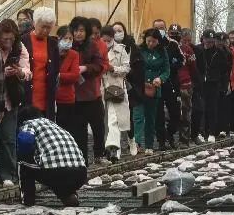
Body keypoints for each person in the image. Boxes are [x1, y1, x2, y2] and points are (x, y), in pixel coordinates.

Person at [16, 106, 86, 207]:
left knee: (23, 164)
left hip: (55, 173)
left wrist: (28, 156)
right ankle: (69, 196)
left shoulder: (29, 124)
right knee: (59, 173)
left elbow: (25, 142)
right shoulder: (54, 125)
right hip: (81, 174)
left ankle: (28, 201)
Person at [0, 19, 29, 186]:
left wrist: (19, 72)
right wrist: (1, 72)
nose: (7, 42)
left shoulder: (20, 48)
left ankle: (7, 175)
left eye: (10, 38)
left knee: (8, 138)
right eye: (4, 38)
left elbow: (27, 72)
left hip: (11, 98)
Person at [70, 16, 105, 164]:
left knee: (98, 127)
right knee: (79, 130)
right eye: (76, 30)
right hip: (74, 95)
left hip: (92, 94)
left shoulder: (92, 46)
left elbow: (99, 65)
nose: (78, 34)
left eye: (82, 30)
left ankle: (99, 155)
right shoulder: (68, 45)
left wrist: (85, 68)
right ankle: (82, 158)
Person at [21, 7, 60, 119]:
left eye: (49, 27)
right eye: (43, 27)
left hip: (46, 95)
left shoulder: (53, 44)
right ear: (34, 23)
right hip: (27, 93)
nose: (46, 31)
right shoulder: (23, 40)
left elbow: (56, 68)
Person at [136, 28, 170, 155]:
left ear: (158, 41)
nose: (150, 44)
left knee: (150, 118)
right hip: (139, 87)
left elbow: (166, 70)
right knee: (138, 116)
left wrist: (160, 78)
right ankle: (136, 143)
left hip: (154, 88)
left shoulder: (162, 51)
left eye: (154, 42)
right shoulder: (139, 50)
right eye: (149, 41)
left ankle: (149, 145)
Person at [100, 27, 130, 163]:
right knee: (104, 120)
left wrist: (113, 69)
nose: (106, 43)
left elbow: (126, 68)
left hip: (115, 88)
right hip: (100, 88)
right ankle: (105, 148)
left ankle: (114, 149)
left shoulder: (121, 50)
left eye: (109, 40)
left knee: (114, 118)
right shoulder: (96, 49)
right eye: (104, 40)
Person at [194, 30, 230, 143]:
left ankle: (212, 132)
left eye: (211, 41)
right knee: (200, 108)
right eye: (207, 41)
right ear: (203, 39)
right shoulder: (198, 49)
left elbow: (225, 69)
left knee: (212, 108)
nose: (209, 43)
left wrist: (220, 81)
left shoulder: (219, 52)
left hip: (214, 83)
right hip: (200, 83)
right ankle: (200, 132)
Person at [154, 20, 183, 150]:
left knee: (176, 113)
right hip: (156, 84)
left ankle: (170, 134)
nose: (159, 30)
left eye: (161, 28)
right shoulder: (150, 44)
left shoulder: (173, 44)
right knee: (158, 114)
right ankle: (162, 141)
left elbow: (182, 60)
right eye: (156, 28)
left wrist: (170, 66)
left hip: (172, 84)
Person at [54, 25, 81, 138]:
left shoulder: (74, 54)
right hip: (51, 98)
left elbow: (75, 75)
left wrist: (58, 75)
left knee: (66, 129)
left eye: (70, 39)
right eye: (66, 38)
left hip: (67, 98)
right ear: (59, 38)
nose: (68, 41)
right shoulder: (52, 52)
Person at [176, 28, 200, 146]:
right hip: (175, 83)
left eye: (189, 41)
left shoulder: (189, 50)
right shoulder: (173, 48)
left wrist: (193, 81)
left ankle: (184, 139)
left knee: (186, 112)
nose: (186, 43)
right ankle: (175, 138)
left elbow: (193, 67)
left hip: (186, 84)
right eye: (184, 40)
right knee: (175, 112)